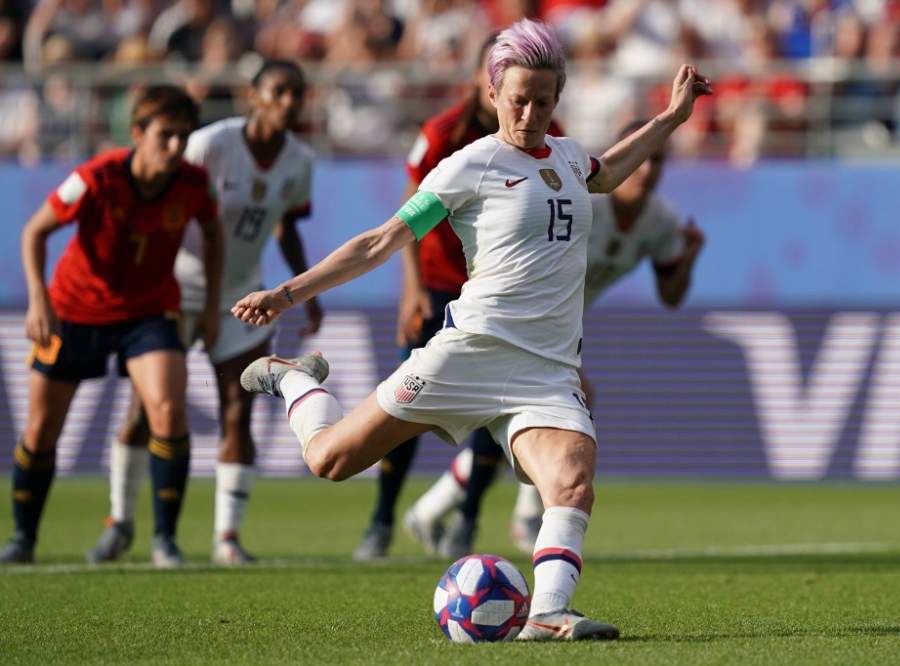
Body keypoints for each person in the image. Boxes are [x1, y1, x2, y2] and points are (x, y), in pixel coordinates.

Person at [234, 19, 710, 640]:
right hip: (470, 352)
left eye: (544, 101)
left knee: (572, 481)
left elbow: (610, 172)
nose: (530, 114)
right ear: (492, 94)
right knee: (330, 460)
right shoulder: (469, 165)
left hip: (547, 369)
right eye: (518, 100)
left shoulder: (569, 157)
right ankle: (295, 379)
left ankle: (547, 614)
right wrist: (287, 294)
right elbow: (380, 241)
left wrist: (672, 117)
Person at [408, 118, 706, 558]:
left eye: (657, 160)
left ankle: (434, 510)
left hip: (556, 331)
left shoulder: (661, 221)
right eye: (641, 159)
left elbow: (671, 296)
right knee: (555, 410)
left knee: (532, 418)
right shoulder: (583, 199)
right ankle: (525, 514)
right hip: (512, 319)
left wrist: (689, 259)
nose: (647, 170)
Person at [87, 60, 321, 566]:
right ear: (252, 96)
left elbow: (286, 226)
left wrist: (306, 291)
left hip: (242, 297)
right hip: (173, 291)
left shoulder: (301, 161)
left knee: (238, 411)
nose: (288, 102)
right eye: (278, 91)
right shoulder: (209, 144)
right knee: (145, 411)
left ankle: (227, 538)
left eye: (297, 93)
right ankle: (120, 523)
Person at [352, 32, 565, 562]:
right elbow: (405, 215)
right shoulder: (443, 135)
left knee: (497, 410)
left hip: (498, 298)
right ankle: (381, 519)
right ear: (485, 81)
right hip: (438, 286)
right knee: (404, 407)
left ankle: (467, 519)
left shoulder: (549, 136)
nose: (529, 109)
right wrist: (412, 290)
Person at [0, 85, 222, 566]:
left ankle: (165, 540)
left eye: (184, 137)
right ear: (137, 133)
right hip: (74, 310)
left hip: (150, 311)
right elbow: (34, 230)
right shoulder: (95, 177)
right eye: (165, 135)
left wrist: (210, 305)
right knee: (41, 430)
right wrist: (38, 300)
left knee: (168, 411)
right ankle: (22, 538)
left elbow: (213, 232)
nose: (176, 147)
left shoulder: (193, 183)